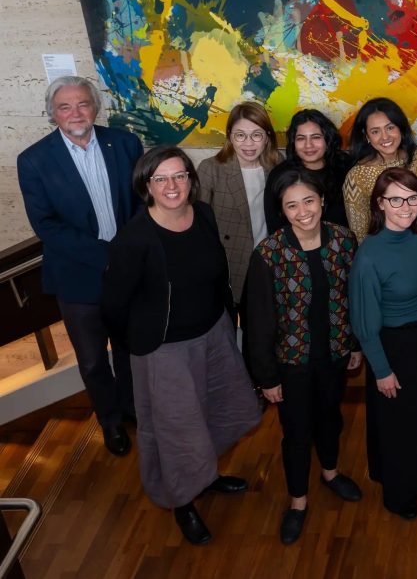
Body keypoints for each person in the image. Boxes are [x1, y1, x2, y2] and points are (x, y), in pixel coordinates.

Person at [100, 146, 261, 545]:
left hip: (213, 334)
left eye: (179, 175)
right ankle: (183, 501)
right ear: (146, 185)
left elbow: (218, 273)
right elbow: (114, 306)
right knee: (176, 430)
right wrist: (143, 346)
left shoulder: (203, 215)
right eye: (161, 178)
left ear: (191, 179)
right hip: (164, 351)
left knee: (216, 410)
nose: (172, 186)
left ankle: (205, 476)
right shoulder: (134, 240)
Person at [17, 76, 143, 456]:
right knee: (91, 360)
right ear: (52, 114)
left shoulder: (125, 143)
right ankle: (110, 421)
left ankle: (134, 408)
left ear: (95, 106)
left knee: (129, 348)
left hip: (128, 272)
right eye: (65, 107)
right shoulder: (34, 160)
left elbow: (141, 200)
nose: (76, 112)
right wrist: (108, 257)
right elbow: (46, 225)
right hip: (77, 277)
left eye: (83, 104)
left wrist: (131, 254)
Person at [244, 168, 364, 544]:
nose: (303, 211)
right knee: (296, 434)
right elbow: (258, 321)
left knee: (330, 420)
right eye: (292, 205)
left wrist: (356, 345)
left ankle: (329, 472)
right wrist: (267, 378)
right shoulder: (269, 253)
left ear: (323, 201)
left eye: (309, 201)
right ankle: (298, 502)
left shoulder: (344, 241)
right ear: (282, 210)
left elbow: (354, 301)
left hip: (334, 355)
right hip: (290, 364)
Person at [348, 167, 417, 519]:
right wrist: (381, 370)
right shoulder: (369, 255)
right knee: (400, 423)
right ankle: (399, 495)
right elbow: (364, 323)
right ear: (380, 204)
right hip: (392, 344)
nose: (405, 207)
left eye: (412, 198)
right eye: (396, 199)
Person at [196, 101, 281, 305]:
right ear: (230, 137)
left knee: (261, 328)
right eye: (240, 135)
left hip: (269, 259)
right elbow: (198, 225)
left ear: (267, 137)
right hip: (228, 260)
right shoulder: (211, 169)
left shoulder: (278, 166)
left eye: (257, 135)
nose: (249, 144)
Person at [343, 98, 417, 240]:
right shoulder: (357, 177)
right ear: (367, 136)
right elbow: (359, 233)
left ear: (400, 129)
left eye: (390, 128)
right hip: (381, 249)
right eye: (375, 131)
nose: (385, 137)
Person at [265, 109, 352, 232]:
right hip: (295, 248)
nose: (308, 145)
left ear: (328, 140)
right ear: (293, 142)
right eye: (301, 138)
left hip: (344, 245)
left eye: (315, 137)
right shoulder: (280, 175)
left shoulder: (346, 167)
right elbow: (275, 225)